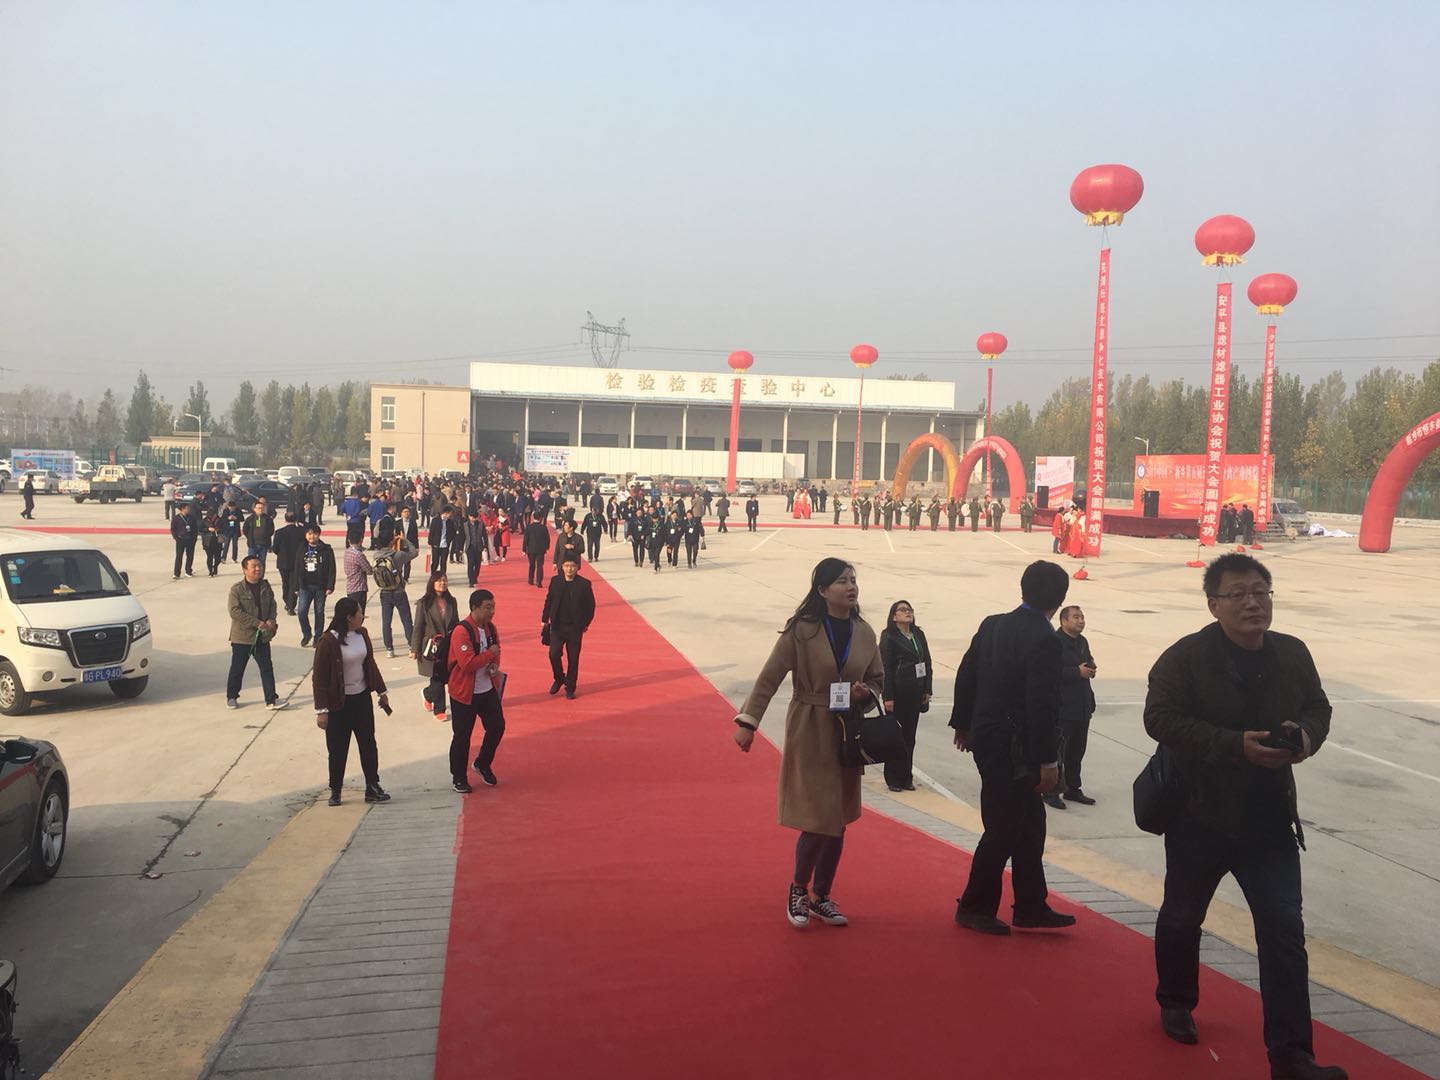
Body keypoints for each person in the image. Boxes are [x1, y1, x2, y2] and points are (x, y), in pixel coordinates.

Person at [1144, 554, 1344, 1080]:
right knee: (1182, 916)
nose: (1253, 603)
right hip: (1199, 815)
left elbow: (1317, 706)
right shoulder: (1185, 658)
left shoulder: (1292, 653)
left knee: (1284, 933)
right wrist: (1235, 745)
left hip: (1269, 820)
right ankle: (1176, 999)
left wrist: (1304, 737)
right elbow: (1159, 719)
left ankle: (1292, 1056)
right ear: (1214, 605)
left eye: (1261, 592)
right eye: (1238, 594)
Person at [733, 558, 883, 930]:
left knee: (838, 817)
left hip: (847, 730)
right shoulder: (801, 630)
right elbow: (769, 677)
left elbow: (877, 679)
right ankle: (799, 888)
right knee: (817, 816)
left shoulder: (865, 632)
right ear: (822, 590)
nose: (851, 586)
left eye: (853, 580)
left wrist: (866, 693)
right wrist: (748, 722)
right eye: (841, 581)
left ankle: (822, 896)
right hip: (810, 725)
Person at [950, 560, 1075, 936]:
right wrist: (1047, 759)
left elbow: (967, 673)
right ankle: (974, 906)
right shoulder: (1045, 639)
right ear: (1060, 599)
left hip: (988, 737)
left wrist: (963, 723)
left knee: (1030, 825)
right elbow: (1042, 704)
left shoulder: (993, 624)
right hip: (1015, 747)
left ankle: (1031, 905)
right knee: (1003, 828)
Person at [312, 597, 391, 807]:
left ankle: (372, 786)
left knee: (368, 744)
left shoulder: (362, 634)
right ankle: (335, 789)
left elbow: (370, 664)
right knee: (337, 748)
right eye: (359, 612)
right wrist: (321, 710)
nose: (362, 616)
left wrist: (381, 691)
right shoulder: (328, 641)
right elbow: (319, 679)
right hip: (338, 703)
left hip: (361, 698)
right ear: (349, 617)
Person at [446, 589, 506, 792]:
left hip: (487, 689)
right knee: (462, 736)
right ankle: (459, 777)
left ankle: (482, 763)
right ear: (474, 608)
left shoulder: (491, 628)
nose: (492, 611)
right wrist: (490, 654)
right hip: (464, 692)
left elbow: (496, 651)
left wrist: (494, 664)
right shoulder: (462, 631)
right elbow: (467, 664)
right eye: (488, 607)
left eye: (493, 607)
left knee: (497, 726)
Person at [880, 600, 933, 793]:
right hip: (898, 693)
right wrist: (888, 696)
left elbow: (927, 662)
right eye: (902, 610)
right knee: (896, 737)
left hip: (915, 692)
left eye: (909, 609)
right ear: (894, 616)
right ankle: (893, 778)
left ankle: (906, 777)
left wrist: (927, 689)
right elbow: (885, 667)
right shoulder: (889, 636)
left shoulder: (918, 634)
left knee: (910, 737)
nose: (907, 612)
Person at [1054, 605, 1098, 809]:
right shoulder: (1054, 642)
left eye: (1082, 617)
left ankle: (1073, 788)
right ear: (1064, 621)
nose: (1081, 621)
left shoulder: (1082, 642)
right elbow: (1050, 672)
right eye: (1076, 617)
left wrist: (1090, 668)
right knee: (1058, 752)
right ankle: (1052, 790)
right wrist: (1076, 672)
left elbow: (1087, 661)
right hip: (1064, 707)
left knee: (1077, 752)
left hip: (1082, 706)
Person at [227, 556, 284, 710]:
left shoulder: (265, 586)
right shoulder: (237, 589)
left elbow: (272, 605)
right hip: (242, 637)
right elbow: (234, 611)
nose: (258, 569)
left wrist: (271, 620)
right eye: (254, 566)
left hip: (262, 636)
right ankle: (232, 697)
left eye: (259, 566)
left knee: (267, 668)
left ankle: (271, 700)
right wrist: (256, 623)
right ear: (245, 570)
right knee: (237, 668)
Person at [543, 555, 596, 699]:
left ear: (577, 567)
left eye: (572, 566)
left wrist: (586, 623)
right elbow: (549, 600)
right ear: (562, 567)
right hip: (557, 626)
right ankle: (559, 678)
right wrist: (544, 619)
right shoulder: (555, 581)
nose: (569, 569)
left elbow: (590, 606)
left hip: (575, 628)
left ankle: (570, 687)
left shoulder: (584, 584)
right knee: (553, 654)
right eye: (567, 566)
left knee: (573, 659)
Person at [410, 570, 459, 721]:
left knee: (444, 676)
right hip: (431, 645)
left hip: (448, 645)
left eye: (444, 580)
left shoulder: (452, 601)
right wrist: (414, 649)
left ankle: (427, 694)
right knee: (437, 676)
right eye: (439, 580)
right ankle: (439, 710)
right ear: (432, 583)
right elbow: (418, 627)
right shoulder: (424, 603)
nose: (442, 583)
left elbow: (456, 623)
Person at [375, 533, 417, 658]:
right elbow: (414, 552)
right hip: (399, 591)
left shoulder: (376, 556)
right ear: (391, 542)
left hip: (384, 592)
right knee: (406, 620)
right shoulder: (398, 555)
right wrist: (404, 540)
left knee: (386, 622)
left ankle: (389, 648)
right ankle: (411, 645)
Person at [294, 524, 337, 648]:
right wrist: (296, 586)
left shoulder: (326, 549)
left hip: (320, 587)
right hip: (305, 586)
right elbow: (297, 568)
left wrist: (330, 586)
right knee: (302, 612)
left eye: (314, 534)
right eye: (309, 534)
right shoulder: (302, 548)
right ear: (305, 535)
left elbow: (332, 569)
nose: (311, 536)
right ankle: (306, 634)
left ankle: (318, 637)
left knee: (319, 612)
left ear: (319, 534)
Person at [272, 512, 307, 615]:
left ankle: (287, 601)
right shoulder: (301, 532)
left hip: (283, 562)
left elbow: (275, 548)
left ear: (285, 520)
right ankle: (291, 605)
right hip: (297, 562)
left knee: (285, 583)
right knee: (294, 584)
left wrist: (281, 554)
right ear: (296, 520)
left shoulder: (279, 532)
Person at [343, 527, 373, 611]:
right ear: (361, 540)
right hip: (359, 588)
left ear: (349, 540)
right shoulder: (358, 555)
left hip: (350, 587)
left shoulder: (347, 552)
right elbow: (369, 570)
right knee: (359, 612)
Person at [243, 498, 275, 571]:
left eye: (262, 508)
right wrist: (249, 537)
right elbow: (245, 530)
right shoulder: (250, 519)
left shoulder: (268, 519)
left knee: (262, 563)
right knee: (251, 562)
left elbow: (271, 530)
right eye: (258, 508)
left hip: (264, 544)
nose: (260, 510)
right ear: (254, 509)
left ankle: (261, 576)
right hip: (253, 544)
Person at [170, 501, 198, 578]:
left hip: (190, 539)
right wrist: (176, 538)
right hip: (180, 539)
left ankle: (188, 571)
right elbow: (173, 529)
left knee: (190, 556)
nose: (188, 509)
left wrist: (194, 538)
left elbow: (195, 529)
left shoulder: (191, 518)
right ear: (182, 509)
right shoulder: (176, 518)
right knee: (179, 556)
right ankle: (176, 573)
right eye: (187, 508)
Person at [523, 513, 551, 587]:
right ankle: (539, 581)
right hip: (540, 549)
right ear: (540, 518)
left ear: (533, 517)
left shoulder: (529, 527)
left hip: (531, 549)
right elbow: (547, 538)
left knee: (531, 565)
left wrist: (524, 549)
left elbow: (525, 539)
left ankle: (530, 579)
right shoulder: (543, 527)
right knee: (540, 566)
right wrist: (547, 547)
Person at [428, 505, 455, 578]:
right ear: (446, 513)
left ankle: (442, 576)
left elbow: (452, 532)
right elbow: (431, 532)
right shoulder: (435, 520)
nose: (450, 515)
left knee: (443, 562)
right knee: (435, 562)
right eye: (450, 514)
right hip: (436, 545)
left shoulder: (450, 522)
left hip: (445, 545)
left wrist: (449, 540)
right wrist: (430, 542)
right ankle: (433, 576)